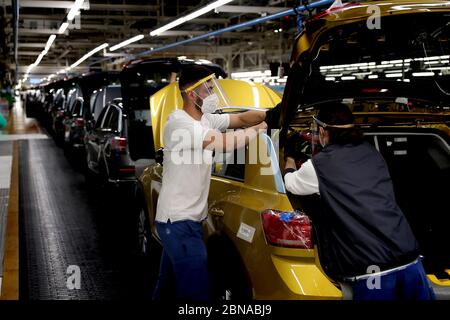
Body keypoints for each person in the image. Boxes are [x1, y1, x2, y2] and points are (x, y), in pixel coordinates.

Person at [283, 102, 435, 300]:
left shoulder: (317, 167)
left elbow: (290, 184)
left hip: (372, 271)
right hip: (410, 261)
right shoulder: (373, 154)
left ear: (322, 131)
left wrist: (290, 159)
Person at [153, 65, 269, 300]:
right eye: (207, 88)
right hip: (178, 221)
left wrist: (269, 114)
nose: (212, 93)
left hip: (187, 221)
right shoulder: (179, 124)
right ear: (191, 93)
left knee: (167, 286)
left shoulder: (206, 120)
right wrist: (261, 128)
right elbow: (224, 143)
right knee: (196, 294)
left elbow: (240, 118)